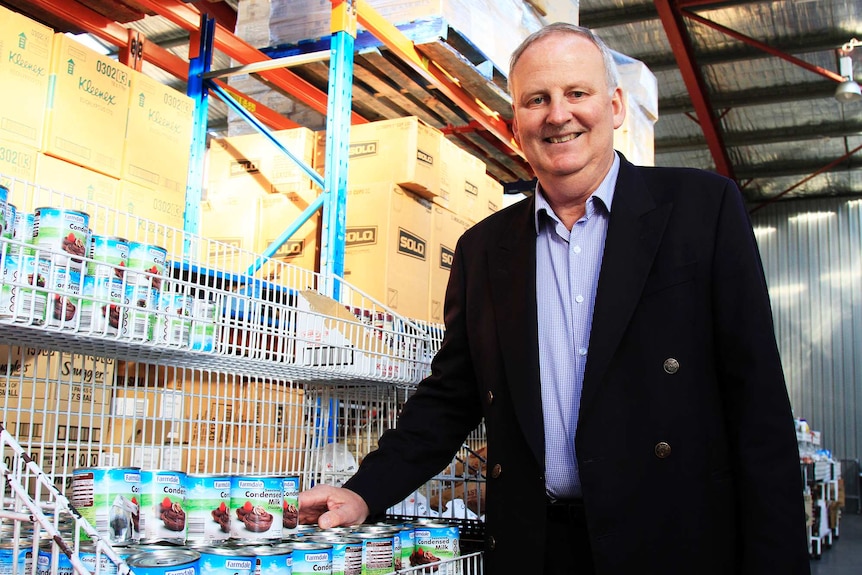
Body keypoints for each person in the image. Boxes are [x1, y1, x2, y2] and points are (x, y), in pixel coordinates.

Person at [299, 22, 811, 575]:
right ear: (514, 123)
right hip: (537, 548)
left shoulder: (701, 210)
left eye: (576, 93)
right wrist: (366, 491)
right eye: (536, 100)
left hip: (672, 541)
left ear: (614, 106)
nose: (557, 114)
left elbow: (757, 403)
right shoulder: (483, 250)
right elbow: (450, 397)